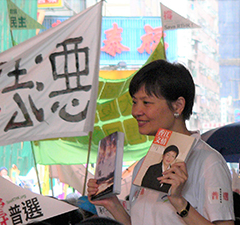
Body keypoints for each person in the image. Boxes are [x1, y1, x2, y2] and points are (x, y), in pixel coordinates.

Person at [87, 59, 235, 225]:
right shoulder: (143, 165)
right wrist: (111, 203)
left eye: (146, 102)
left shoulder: (208, 162)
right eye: (134, 102)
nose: (136, 112)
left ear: (178, 106)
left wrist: (179, 202)